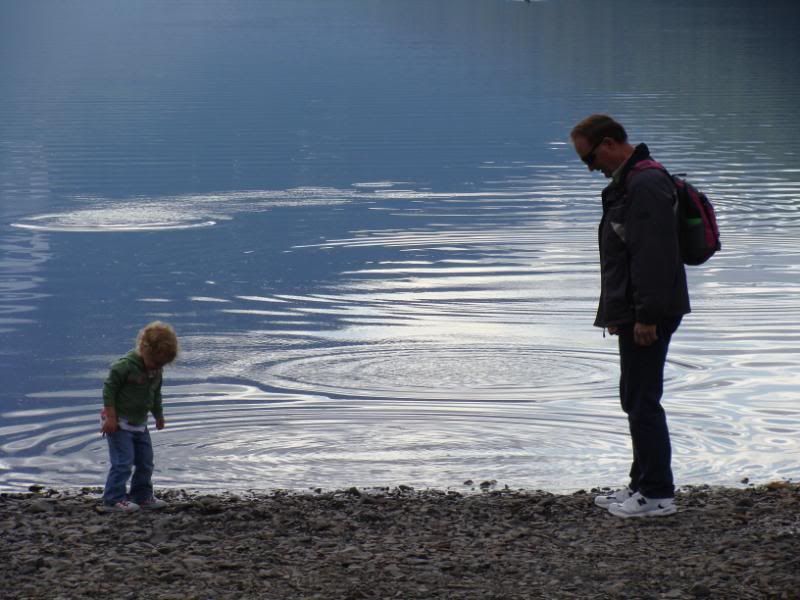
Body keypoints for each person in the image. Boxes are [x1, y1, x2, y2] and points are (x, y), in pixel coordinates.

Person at [570, 115, 690, 518]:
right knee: (634, 396)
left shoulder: (645, 183)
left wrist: (647, 317)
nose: (590, 169)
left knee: (643, 400)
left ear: (608, 144)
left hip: (651, 312)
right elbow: (628, 253)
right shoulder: (632, 181)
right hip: (638, 310)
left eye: (589, 159)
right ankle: (641, 484)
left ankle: (657, 494)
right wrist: (621, 312)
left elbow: (653, 255)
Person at [100, 321, 179, 512]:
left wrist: (158, 415)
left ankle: (141, 496)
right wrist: (111, 417)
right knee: (123, 462)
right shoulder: (124, 366)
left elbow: (155, 394)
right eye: (156, 363)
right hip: (118, 423)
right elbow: (108, 390)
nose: (158, 367)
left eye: (162, 365)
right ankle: (112, 499)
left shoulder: (156, 371)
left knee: (145, 461)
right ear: (144, 350)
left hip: (140, 424)